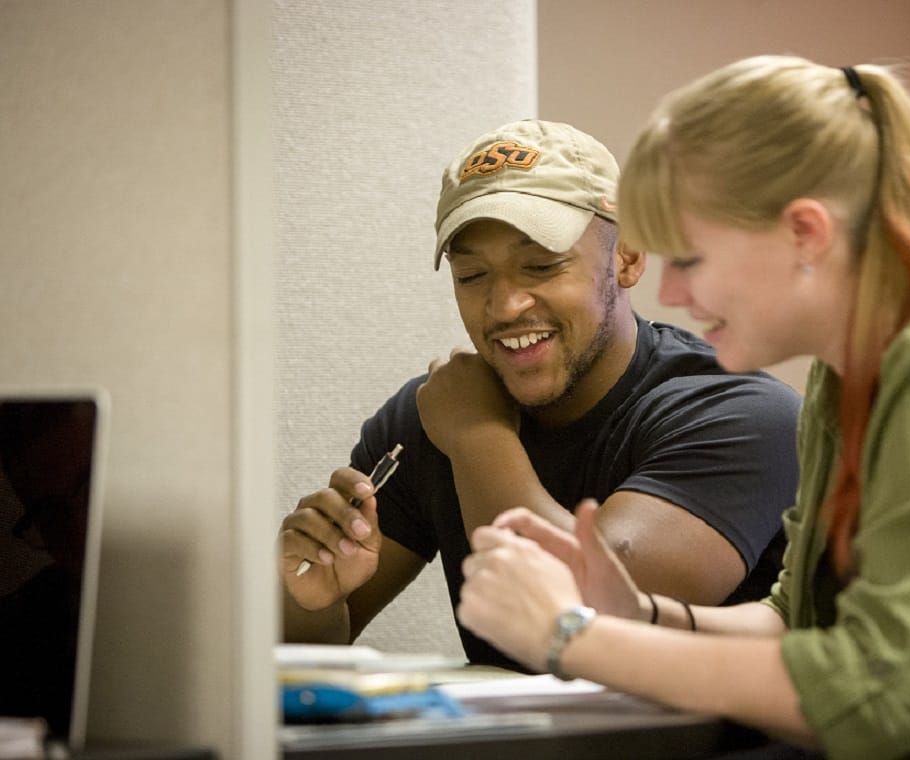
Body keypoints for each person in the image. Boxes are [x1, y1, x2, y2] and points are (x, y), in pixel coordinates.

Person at [455, 57, 910, 757]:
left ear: (805, 234)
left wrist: (574, 640)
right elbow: (801, 621)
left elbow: (876, 695)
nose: (673, 293)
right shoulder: (842, 372)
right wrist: (636, 615)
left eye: (690, 259)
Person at [278, 119, 803, 670]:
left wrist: (478, 437)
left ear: (627, 257)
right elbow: (302, 654)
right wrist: (311, 597)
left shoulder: (741, 414)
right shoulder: (432, 416)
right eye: (472, 275)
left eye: (541, 266)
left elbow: (586, 613)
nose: (504, 306)